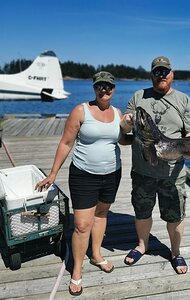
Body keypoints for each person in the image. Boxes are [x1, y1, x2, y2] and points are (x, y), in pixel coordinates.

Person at [35, 71, 126, 296]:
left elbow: (124, 141)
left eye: (108, 86)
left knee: (102, 214)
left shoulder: (118, 113)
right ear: (94, 89)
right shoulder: (80, 110)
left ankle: (96, 255)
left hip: (112, 173)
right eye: (99, 87)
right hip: (84, 175)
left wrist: (129, 128)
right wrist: (53, 173)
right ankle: (76, 271)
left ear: (114, 89)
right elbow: (66, 143)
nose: (104, 90)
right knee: (81, 225)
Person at [121, 56, 190, 275]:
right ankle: (142, 245)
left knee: (175, 216)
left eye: (165, 72)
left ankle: (175, 252)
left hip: (173, 174)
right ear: (152, 74)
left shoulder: (184, 101)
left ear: (172, 74)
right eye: (157, 72)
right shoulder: (138, 97)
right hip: (143, 171)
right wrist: (125, 123)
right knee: (142, 212)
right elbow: (125, 130)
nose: (161, 75)